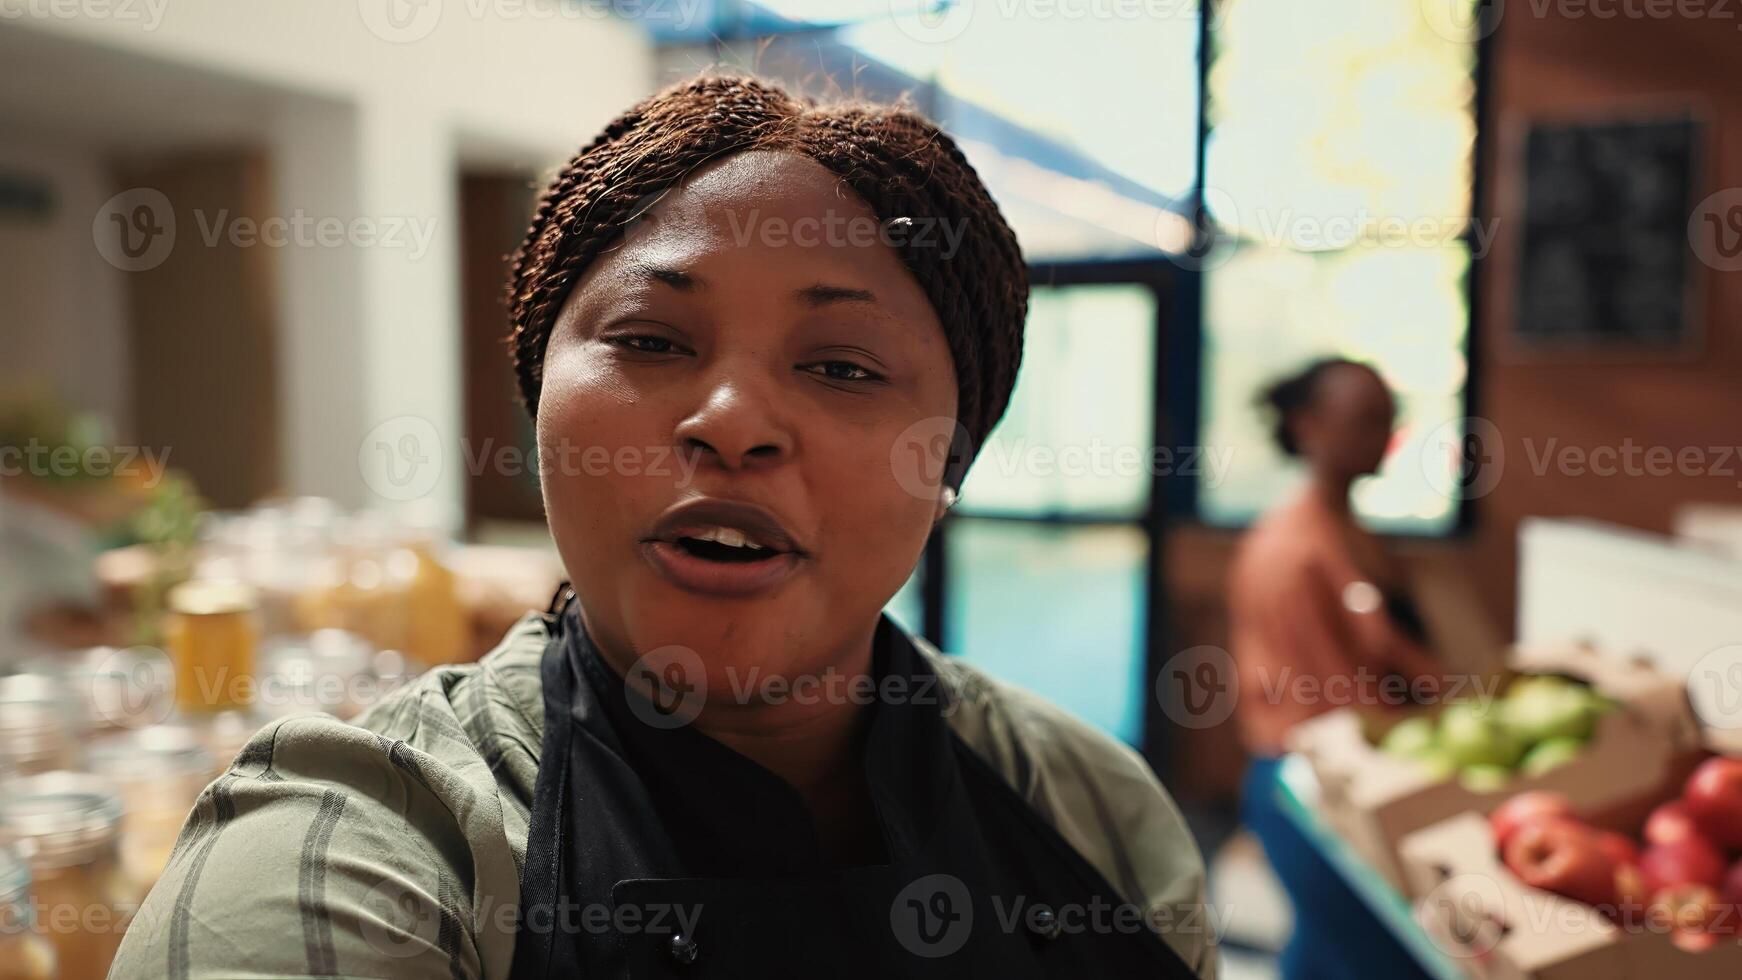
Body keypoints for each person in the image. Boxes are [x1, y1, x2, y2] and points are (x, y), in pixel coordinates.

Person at [109, 74, 1216, 979]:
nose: (730, 420)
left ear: (952, 459)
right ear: (537, 393)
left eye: (840, 365)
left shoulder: (1091, 807)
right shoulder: (358, 850)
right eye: (649, 338)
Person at [1228, 357, 1442, 979]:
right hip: (1317, 786)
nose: (1384, 434)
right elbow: (1339, 698)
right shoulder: (1292, 552)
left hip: (1338, 778)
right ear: (1309, 427)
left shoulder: (1348, 531)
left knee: (1325, 956)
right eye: (1367, 419)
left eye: (1390, 418)